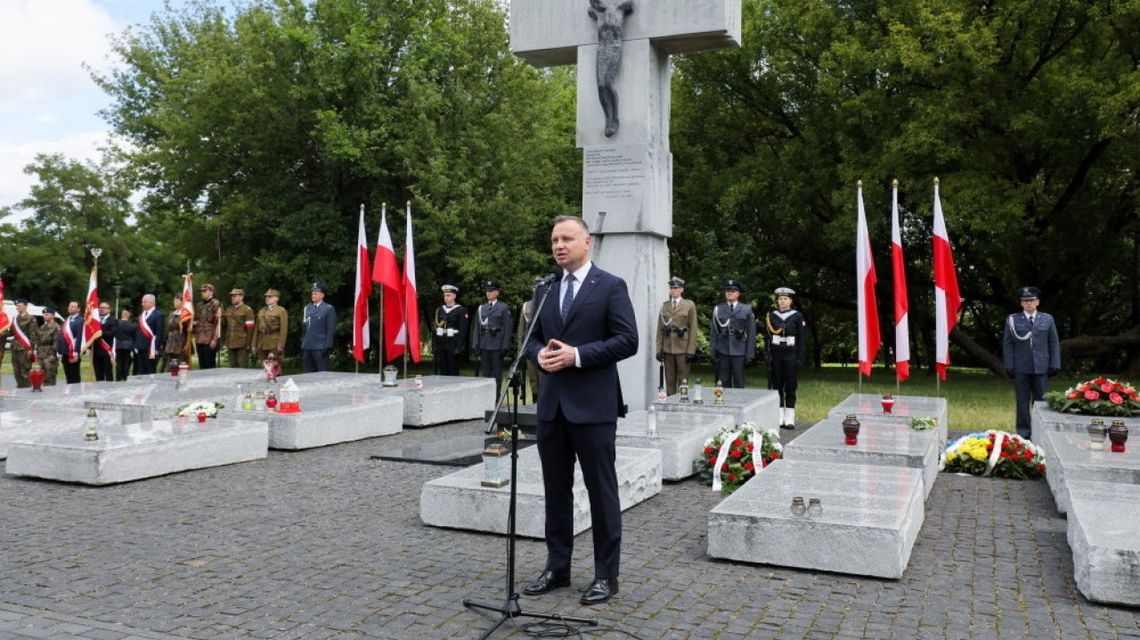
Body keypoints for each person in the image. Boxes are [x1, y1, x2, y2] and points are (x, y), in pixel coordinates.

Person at [523, 215, 638, 606]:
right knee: (556, 493)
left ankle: (607, 575)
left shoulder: (610, 286)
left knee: (601, 493)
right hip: (552, 407)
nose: (559, 245)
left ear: (587, 242)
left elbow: (628, 340)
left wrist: (579, 355)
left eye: (567, 238)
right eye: (554, 239)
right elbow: (532, 338)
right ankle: (558, 568)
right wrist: (539, 354)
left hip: (593, 408)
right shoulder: (547, 288)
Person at [1002, 286, 1061, 440]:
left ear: (1037, 302)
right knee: (1022, 402)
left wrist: (1055, 363)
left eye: (1031, 300)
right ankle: (1023, 433)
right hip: (1021, 367)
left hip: (1042, 367)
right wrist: (1009, 364)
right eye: (1025, 301)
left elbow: (1053, 343)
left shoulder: (1047, 319)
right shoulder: (1013, 320)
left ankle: (1041, 431)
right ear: (1021, 303)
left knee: (1041, 402)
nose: (1029, 303)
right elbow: (1008, 344)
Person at [764, 287, 807, 429]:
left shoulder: (797, 316)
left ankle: (789, 418)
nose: (782, 301)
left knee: (790, 386)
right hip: (776, 354)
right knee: (776, 386)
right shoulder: (771, 316)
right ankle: (779, 417)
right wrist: (767, 354)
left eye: (785, 299)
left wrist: (800, 357)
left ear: (791, 301)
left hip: (791, 354)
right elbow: (767, 338)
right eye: (780, 298)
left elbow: (801, 338)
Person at [709, 280, 756, 389]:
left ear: (738, 293)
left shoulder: (746, 309)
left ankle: (739, 405)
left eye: (733, 291)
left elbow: (751, 333)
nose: (730, 293)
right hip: (723, 350)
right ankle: (724, 405)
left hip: (739, 351)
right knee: (723, 382)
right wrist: (713, 350)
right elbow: (714, 332)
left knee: (739, 382)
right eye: (728, 291)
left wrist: (750, 354)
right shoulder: (718, 309)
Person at [655, 277, 697, 395]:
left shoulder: (689, 305)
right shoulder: (665, 306)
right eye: (671, 288)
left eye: (676, 288)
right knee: (669, 380)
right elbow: (659, 330)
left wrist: (691, 350)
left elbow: (693, 328)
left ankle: (682, 404)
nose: (673, 290)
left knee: (683, 380)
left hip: (683, 349)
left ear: (681, 290)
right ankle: (670, 404)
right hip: (668, 349)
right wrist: (659, 349)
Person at [474, 280, 512, 397]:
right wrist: (476, 344)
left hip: (497, 345)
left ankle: (496, 397)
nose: (488, 293)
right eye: (487, 291)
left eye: (491, 291)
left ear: (497, 293)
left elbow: (507, 328)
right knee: (486, 373)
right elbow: (477, 327)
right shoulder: (482, 308)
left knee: (496, 373)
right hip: (484, 344)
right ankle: (486, 397)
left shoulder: (503, 307)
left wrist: (505, 346)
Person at [516, 276, 545, 399]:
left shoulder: (547, 302)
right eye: (534, 286)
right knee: (533, 378)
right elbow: (521, 331)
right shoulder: (526, 306)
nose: (536, 289)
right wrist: (520, 350)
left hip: (544, 347)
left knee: (543, 378)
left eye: (538, 286)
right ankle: (534, 401)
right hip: (529, 348)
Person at [301, 282, 336, 372]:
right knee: (307, 374)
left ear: (322, 295)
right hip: (308, 346)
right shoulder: (307, 308)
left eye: (316, 293)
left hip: (320, 348)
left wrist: (327, 346)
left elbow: (330, 329)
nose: (313, 295)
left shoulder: (328, 308)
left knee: (321, 375)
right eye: (312, 293)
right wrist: (303, 343)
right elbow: (305, 328)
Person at [434, 284, 468, 376]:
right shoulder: (440, 310)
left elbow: (463, 330)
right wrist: (435, 345)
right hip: (441, 343)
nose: (445, 297)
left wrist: (459, 347)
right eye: (444, 295)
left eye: (448, 295)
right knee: (443, 370)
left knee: (453, 370)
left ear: (454, 296)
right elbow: (436, 329)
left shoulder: (461, 310)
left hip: (453, 343)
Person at [222, 288, 256, 367]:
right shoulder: (229, 309)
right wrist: (221, 317)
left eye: (235, 295)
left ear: (241, 297)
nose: (232, 297)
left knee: (242, 366)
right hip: (230, 341)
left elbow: (250, 328)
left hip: (242, 343)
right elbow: (225, 325)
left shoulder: (247, 310)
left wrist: (248, 344)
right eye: (232, 296)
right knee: (232, 366)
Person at [253, 289, 288, 363]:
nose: (267, 298)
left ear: (277, 298)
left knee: (273, 367)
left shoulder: (281, 310)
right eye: (266, 296)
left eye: (270, 296)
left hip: (274, 343)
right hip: (262, 343)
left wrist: (280, 345)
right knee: (264, 368)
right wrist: (254, 344)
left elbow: (283, 330)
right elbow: (256, 329)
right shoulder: (262, 310)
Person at [193, 283, 222, 369]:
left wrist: (215, 339)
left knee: (210, 365)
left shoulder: (216, 304)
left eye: (205, 291)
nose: (202, 293)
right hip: (199, 338)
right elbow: (197, 320)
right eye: (201, 291)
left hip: (209, 338)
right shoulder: (199, 305)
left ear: (211, 292)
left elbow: (218, 323)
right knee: (202, 365)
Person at [57, 301, 84, 384]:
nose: (70, 307)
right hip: (65, 351)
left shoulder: (80, 320)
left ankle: (76, 393)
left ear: (78, 309)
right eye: (69, 306)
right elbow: (61, 336)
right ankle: (69, 393)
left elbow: (80, 337)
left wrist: (76, 351)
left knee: (74, 374)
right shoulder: (66, 320)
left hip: (73, 352)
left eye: (73, 306)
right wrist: (59, 350)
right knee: (68, 374)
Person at [136, 294, 164, 374]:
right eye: (142, 302)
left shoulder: (158, 315)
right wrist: (136, 344)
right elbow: (138, 331)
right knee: (141, 370)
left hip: (150, 348)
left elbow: (160, 332)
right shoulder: (142, 315)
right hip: (140, 347)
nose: (142, 304)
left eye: (144, 302)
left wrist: (156, 348)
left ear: (151, 302)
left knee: (150, 370)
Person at [10, 299, 36, 388]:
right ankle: (20, 389)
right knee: (16, 372)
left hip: (25, 349)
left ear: (25, 306)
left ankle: (27, 390)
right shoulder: (15, 318)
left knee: (25, 371)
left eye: (19, 306)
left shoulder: (31, 319)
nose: (17, 308)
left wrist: (31, 349)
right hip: (15, 348)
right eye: (17, 306)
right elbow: (11, 332)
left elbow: (33, 335)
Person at [163, 296, 192, 372]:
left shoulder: (186, 314)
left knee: (181, 364)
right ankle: (170, 379)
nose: (175, 303)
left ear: (182, 302)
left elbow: (189, 329)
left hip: (181, 342)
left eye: (177, 301)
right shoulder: (172, 313)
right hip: (171, 342)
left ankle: (182, 381)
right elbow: (168, 327)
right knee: (171, 365)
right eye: (174, 301)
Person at [91, 301, 117, 382]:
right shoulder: (96, 320)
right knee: (98, 373)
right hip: (96, 350)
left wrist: (100, 334)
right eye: (100, 308)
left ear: (109, 310)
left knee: (108, 372)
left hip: (106, 350)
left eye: (104, 308)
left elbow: (113, 332)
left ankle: (109, 390)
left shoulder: (113, 320)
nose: (102, 309)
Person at [36, 307, 61, 386]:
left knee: (50, 378)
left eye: (47, 314)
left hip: (50, 355)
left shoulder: (56, 327)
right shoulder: (42, 327)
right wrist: (37, 353)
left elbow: (56, 342)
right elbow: (39, 341)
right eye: (44, 314)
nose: (44, 316)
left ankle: (51, 396)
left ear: (53, 316)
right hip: (41, 355)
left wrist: (53, 354)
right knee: (42, 377)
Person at [113, 307, 138, 380]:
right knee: (127, 361)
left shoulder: (116, 324)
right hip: (128, 346)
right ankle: (125, 376)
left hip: (118, 345)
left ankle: (118, 377)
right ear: (128, 316)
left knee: (119, 362)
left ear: (122, 315)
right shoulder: (132, 325)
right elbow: (134, 336)